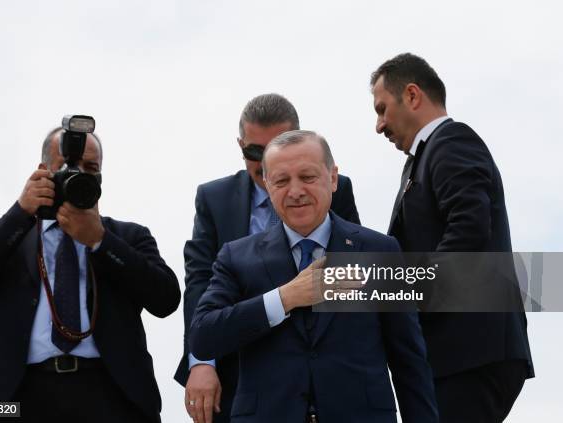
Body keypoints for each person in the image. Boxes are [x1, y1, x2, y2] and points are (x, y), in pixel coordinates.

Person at [190, 130, 438, 423]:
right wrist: (285, 298)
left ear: (333, 178)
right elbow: (203, 336)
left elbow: (408, 360)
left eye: (307, 177)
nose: (295, 191)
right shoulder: (236, 257)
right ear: (267, 186)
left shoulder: (378, 251)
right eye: (281, 181)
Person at [0, 126, 180, 422]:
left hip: (110, 394)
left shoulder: (128, 236)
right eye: (68, 167)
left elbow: (166, 300)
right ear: (44, 172)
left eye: (90, 168)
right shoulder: (16, 237)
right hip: (23, 397)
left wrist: (100, 241)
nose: (80, 174)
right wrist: (20, 212)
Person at [175, 94, 361, 423]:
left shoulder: (335, 190)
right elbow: (200, 284)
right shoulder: (214, 200)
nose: (262, 163)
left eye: (274, 147)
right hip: (243, 364)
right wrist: (202, 361)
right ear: (240, 145)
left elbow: (357, 269)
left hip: (324, 366)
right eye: (253, 152)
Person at [370, 52, 534, 422]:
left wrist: (412, 302)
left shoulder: (451, 141)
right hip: (454, 356)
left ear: (412, 95)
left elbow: (468, 233)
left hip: (470, 355)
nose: (379, 125)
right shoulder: (424, 157)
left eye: (382, 109)